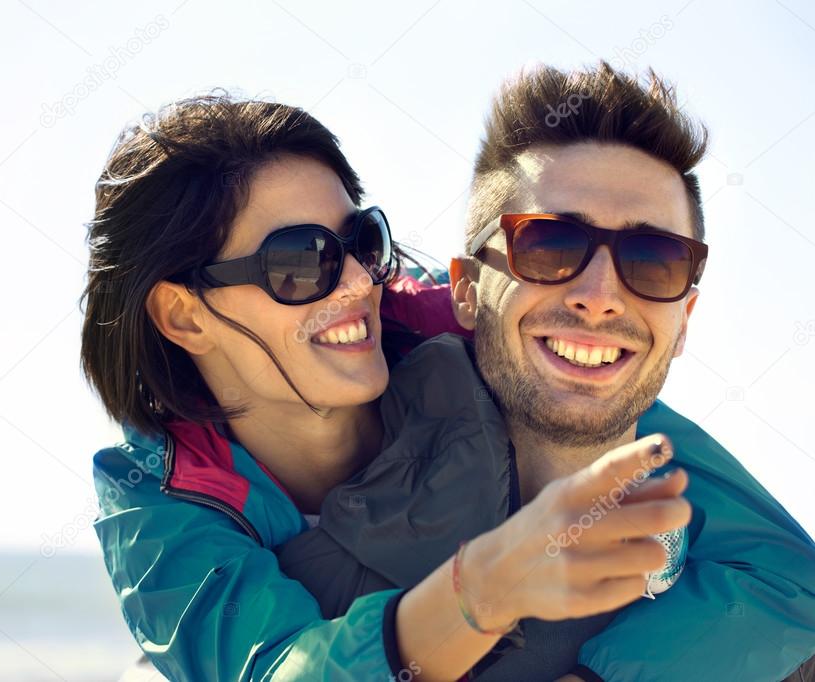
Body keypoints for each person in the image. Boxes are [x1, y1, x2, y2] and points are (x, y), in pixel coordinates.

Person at [82, 93, 689, 681]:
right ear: (185, 317)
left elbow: (765, 562)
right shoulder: (156, 501)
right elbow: (268, 668)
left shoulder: (480, 326)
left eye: (361, 243)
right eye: (299, 260)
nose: (357, 283)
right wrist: (475, 593)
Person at [275, 63, 815, 681]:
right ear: (466, 289)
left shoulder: (776, 647)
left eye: (655, 260)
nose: (600, 294)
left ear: (685, 316)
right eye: (550, 245)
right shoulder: (314, 590)